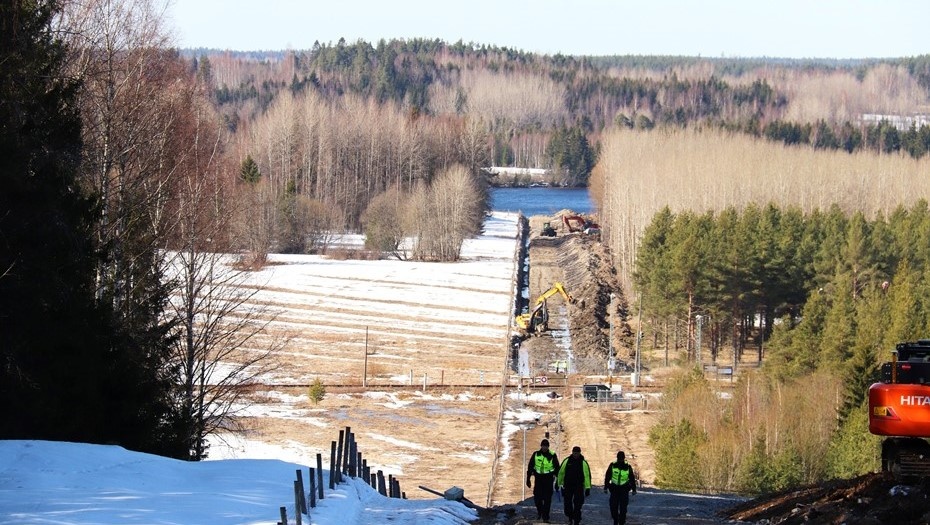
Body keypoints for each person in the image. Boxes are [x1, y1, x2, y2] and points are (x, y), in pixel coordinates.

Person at [556, 445, 591, 525]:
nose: (575, 455)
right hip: (568, 486)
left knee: (578, 505)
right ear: (572, 452)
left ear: (579, 453)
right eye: (574, 453)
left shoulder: (583, 463)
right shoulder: (567, 461)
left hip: (579, 487)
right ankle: (570, 517)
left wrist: (587, 488)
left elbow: (587, 476)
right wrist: (558, 484)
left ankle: (576, 520)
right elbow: (561, 473)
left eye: (577, 453)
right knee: (567, 504)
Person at [526, 438, 559, 522]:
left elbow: (557, 468)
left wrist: (557, 482)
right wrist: (528, 479)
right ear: (541, 446)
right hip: (539, 479)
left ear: (548, 447)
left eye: (546, 446)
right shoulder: (536, 454)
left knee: (547, 499)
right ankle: (540, 512)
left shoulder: (552, 455)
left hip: (548, 479)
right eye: (543, 446)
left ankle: (545, 517)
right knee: (537, 498)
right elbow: (530, 466)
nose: (544, 447)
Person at [603, 450, 637, 525]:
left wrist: (634, 489)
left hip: (624, 489)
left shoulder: (628, 467)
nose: (620, 460)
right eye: (619, 458)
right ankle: (615, 519)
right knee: (613, 506)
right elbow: (608, 476)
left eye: (621, 459)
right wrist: (606, 487)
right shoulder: (612, 465)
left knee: (623, 508)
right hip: (614, 489)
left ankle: (621, 522)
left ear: (624, 458)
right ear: (617, 458)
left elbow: (632, 478)